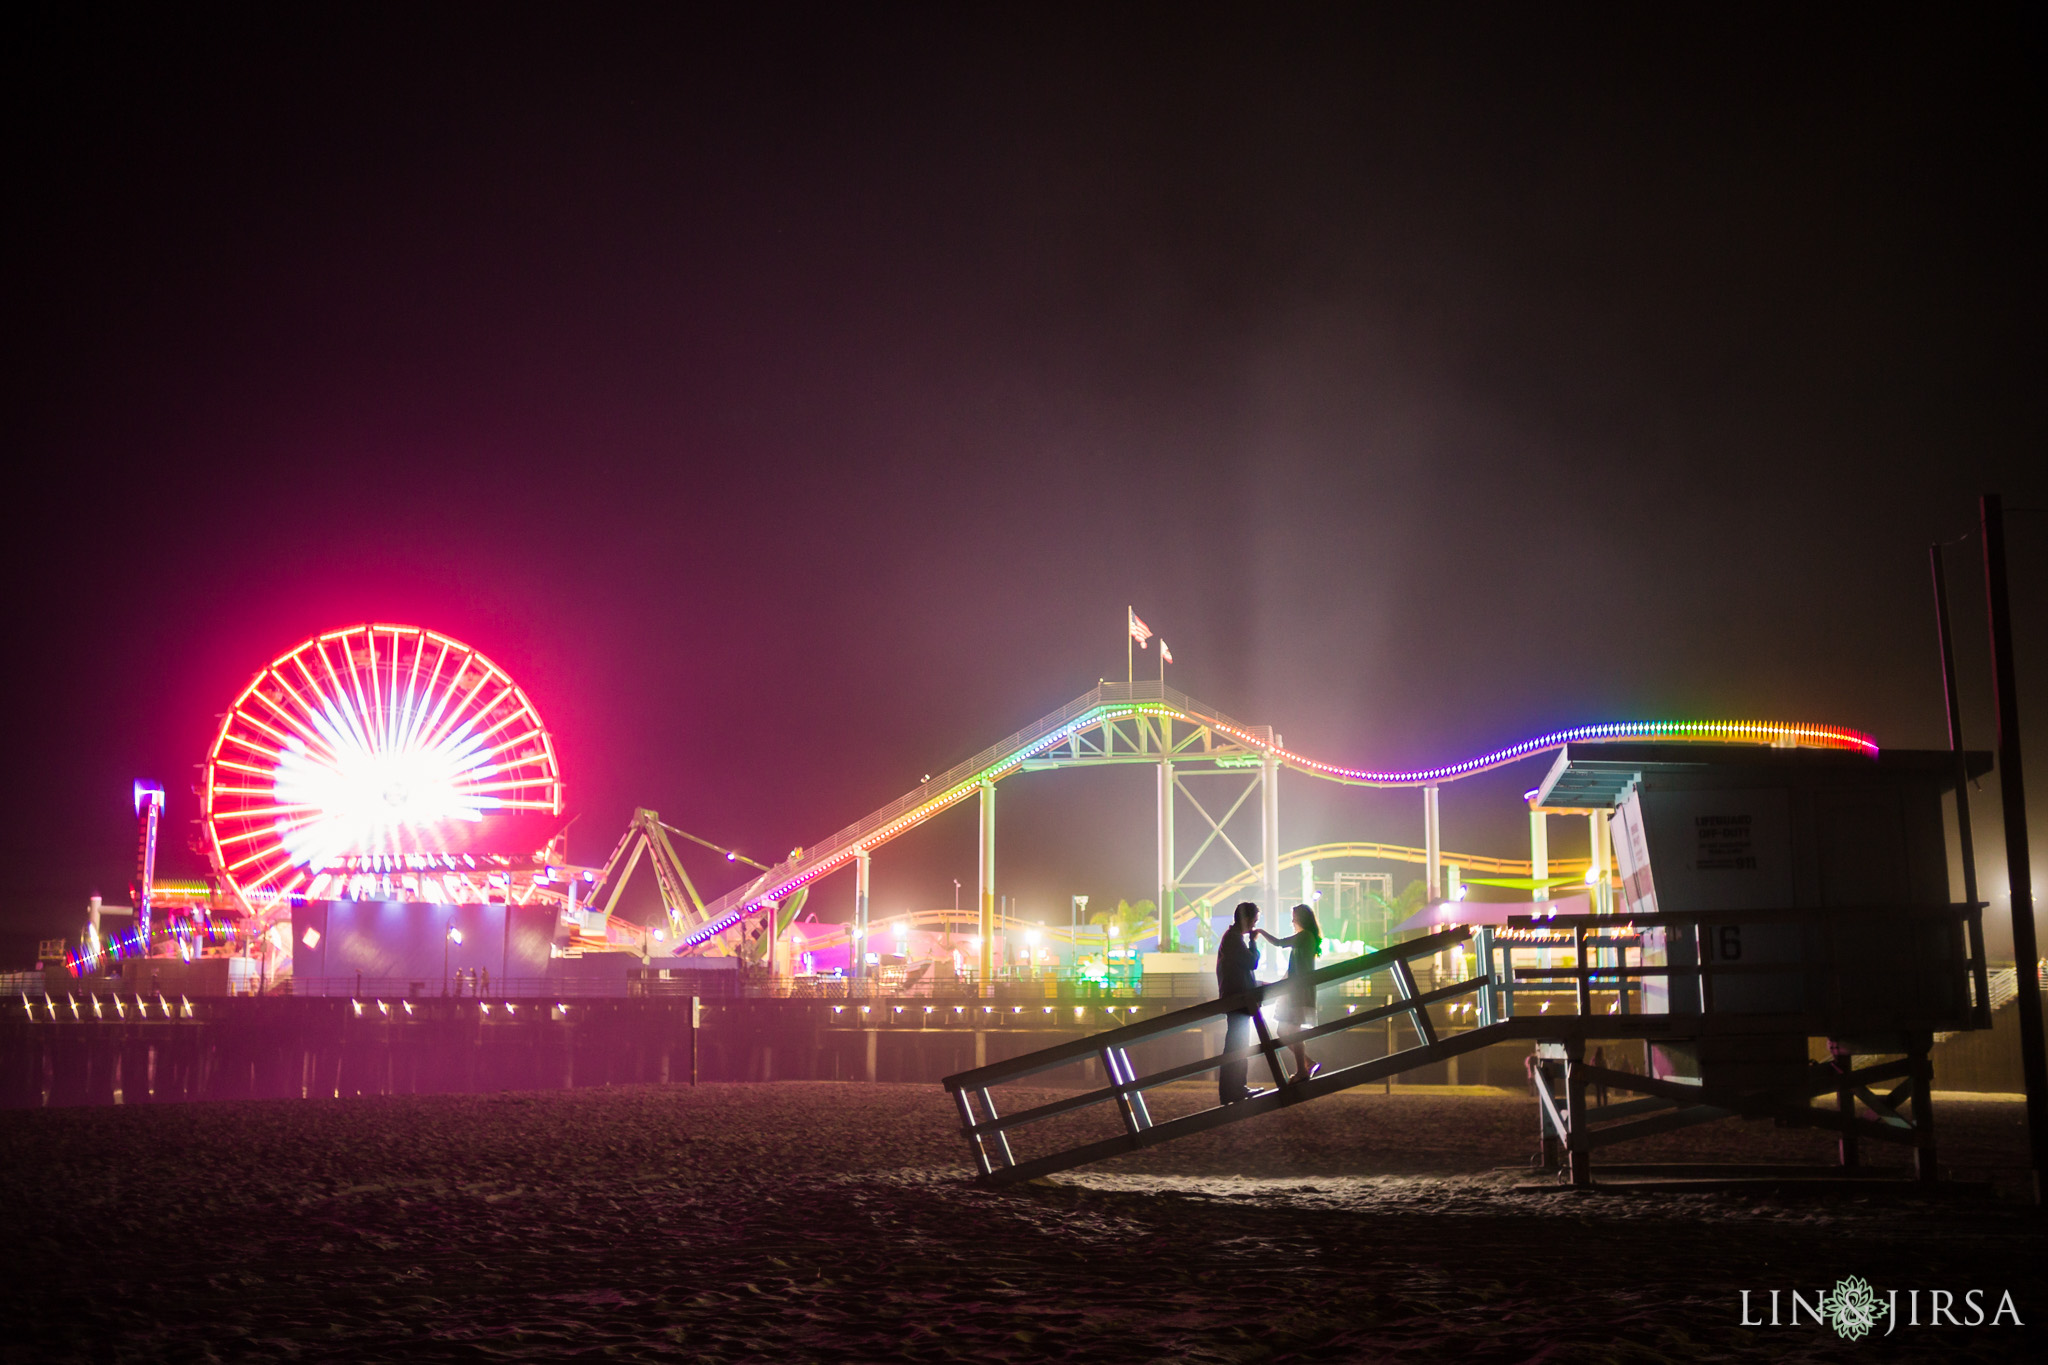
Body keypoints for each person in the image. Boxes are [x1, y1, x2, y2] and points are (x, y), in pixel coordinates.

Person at [1258, 904, 1323, 1082]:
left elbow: (1279, 943)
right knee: (1286, 1030)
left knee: (1290, 1029)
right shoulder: (1309, 938)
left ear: (1301, 919)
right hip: (1297, 990)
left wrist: (1261, 932)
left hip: (1298, 992)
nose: (1292, 921)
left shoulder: (1304, 937)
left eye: (1294, 917)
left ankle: (1303, 1070)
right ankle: (1307, 1064)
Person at [1215, 902, 1265, 1104]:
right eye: (1253, 921)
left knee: (1237, 1044)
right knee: (1237, 1045)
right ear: (1246, 920)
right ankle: (1233, 1089)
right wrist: (1254, 942)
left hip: (1234, 997)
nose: (1254, 926)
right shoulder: (1235, 940)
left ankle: (1234, 1088)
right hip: (1237, 999)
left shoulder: (1232, 938)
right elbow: (1251, 962)